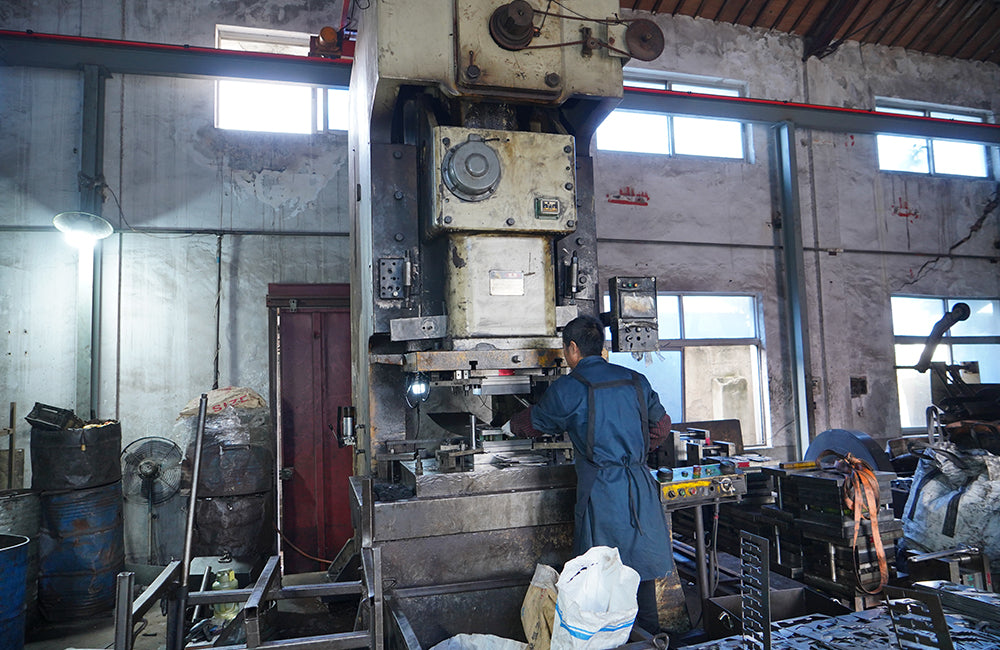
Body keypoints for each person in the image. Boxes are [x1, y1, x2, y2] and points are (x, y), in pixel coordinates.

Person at [510, 315, 673, 634]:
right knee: (640, 579)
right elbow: (662, 426)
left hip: (603, 492)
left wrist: (508, 425)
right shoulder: (636, 380)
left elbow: (535, 423)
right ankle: (650, 638)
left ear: (572, 348)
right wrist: (634, 454)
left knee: (601, 582)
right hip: (640, 486)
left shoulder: (569, 387)